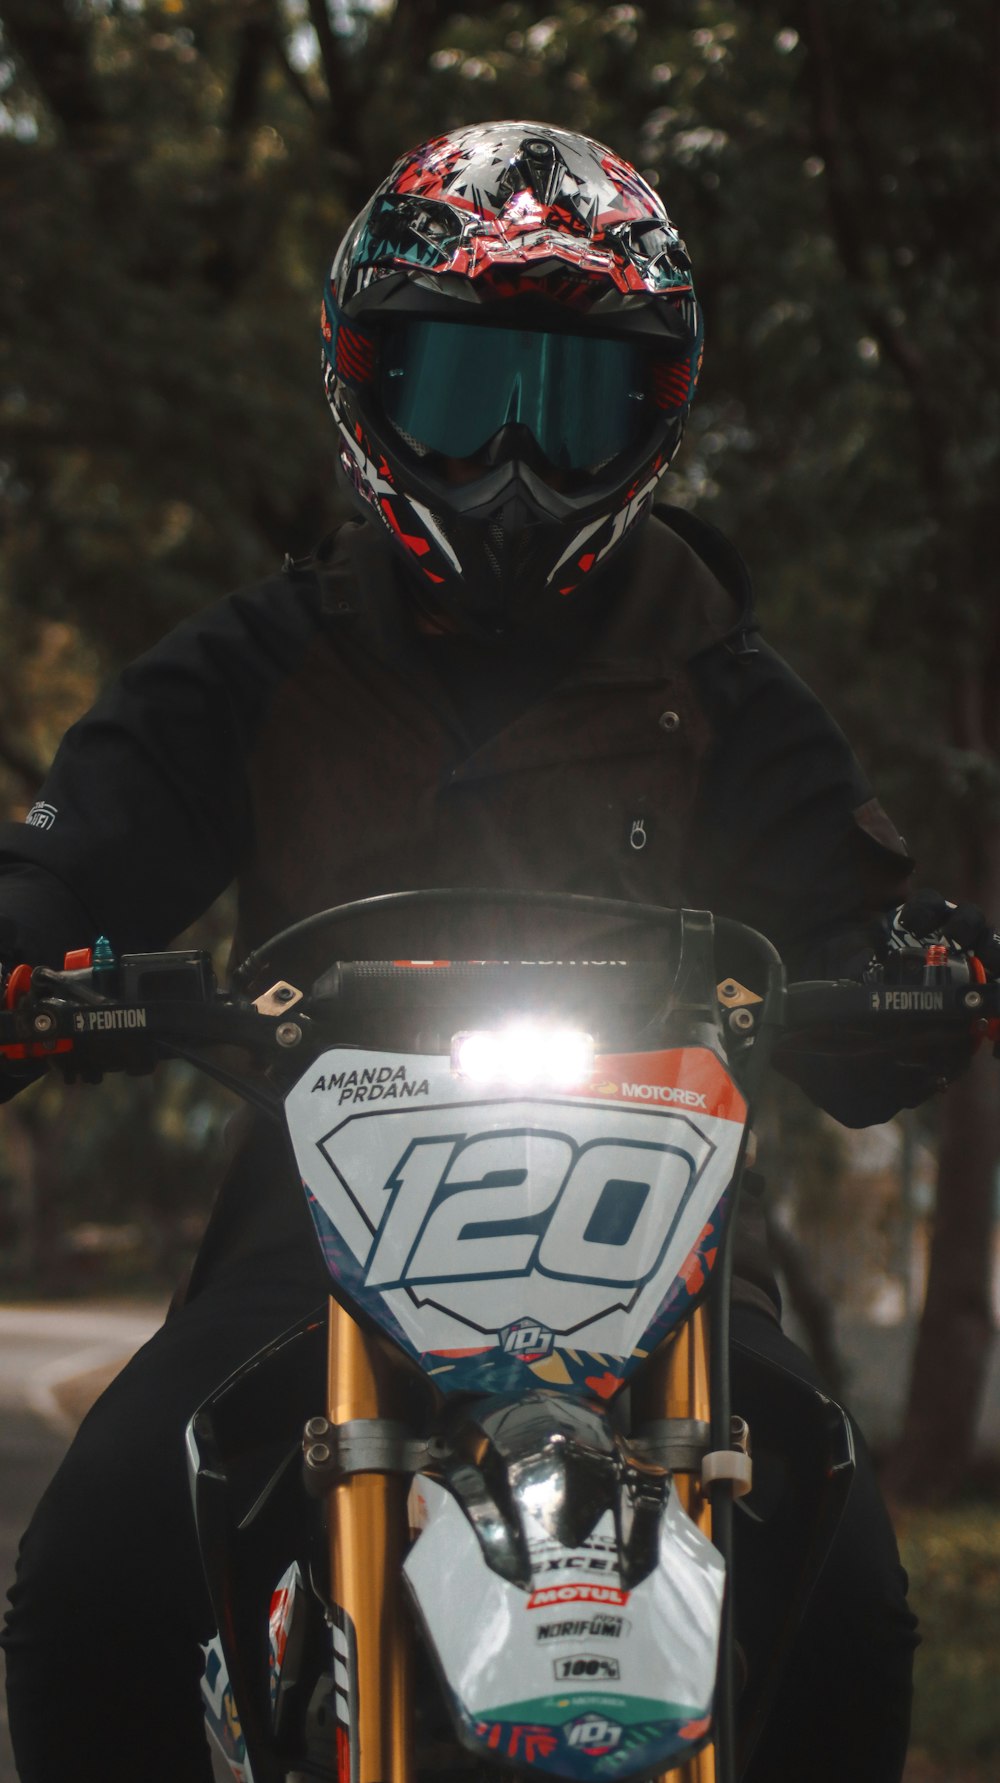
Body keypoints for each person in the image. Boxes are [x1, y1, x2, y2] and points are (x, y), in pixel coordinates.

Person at [0, 119, 989, 1782]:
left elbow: (843, 920)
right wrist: (31, 961)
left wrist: (908, 969)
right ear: (367, 389)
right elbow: (74, 849)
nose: (516, 454)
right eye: (466, 391)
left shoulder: (726, 684)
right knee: (95, 1567)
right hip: (308, 1247)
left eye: (573, 395)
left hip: (657, 1250)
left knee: (842, 1587)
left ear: (656, 417)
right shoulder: (261, 659)